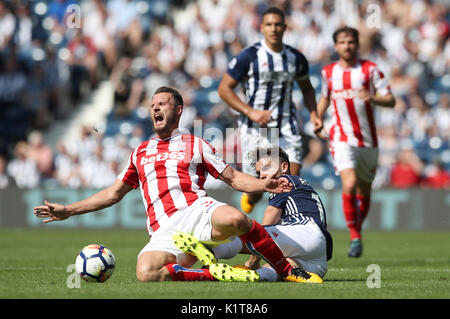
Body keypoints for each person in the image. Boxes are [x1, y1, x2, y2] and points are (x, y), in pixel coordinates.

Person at [33, 86, 318, 283]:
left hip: (197, 210)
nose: (155, 108)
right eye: (152, 105)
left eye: (162, 104)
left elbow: (231, 177)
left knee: (235, 217)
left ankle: (286, 270)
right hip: (164, 229)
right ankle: (215, 273)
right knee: (146, 272)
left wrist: (262, 185)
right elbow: (113, 193)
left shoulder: (196, 144)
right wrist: (69, 210)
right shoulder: (139, 151)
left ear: (178, 110)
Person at [218, 6, 322, 214]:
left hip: (287, 128)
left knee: (289, 182)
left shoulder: (296, 58)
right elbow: (224, 89)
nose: (273, 28)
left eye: (277, 24)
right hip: (255, 130)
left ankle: (281, 231)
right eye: (269, 24)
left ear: (284, 27)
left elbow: (307, 89)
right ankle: (252, 197)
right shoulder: (249, 56)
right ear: (262, 28)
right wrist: (251, 112)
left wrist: (314, 114)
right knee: (258, 187)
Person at [191, 146, 332, 281]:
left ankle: (213, 250)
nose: (263, 175)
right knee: (274, 270)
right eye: (259, 173)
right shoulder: (301, 184)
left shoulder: (284, 181)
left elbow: (269, 220)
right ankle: (254, 276)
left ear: (284, 167)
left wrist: (255, 256)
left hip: (304, 233)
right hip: (319, 258)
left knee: (246, 231)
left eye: (266, 168)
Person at [315, 26, 396, 257]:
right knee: (349, 184)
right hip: (341, 137)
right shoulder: (329, 72)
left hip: (368, 140)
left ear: (357, 45)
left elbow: (390, 100)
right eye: (342, 42)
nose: (347, 46)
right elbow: (324, 97)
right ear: (336, 46)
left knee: (364, 188)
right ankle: (355, 237)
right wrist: (317, 118)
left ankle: (357, 232)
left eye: (351, 42)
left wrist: (374, 98)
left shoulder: (371, 70)